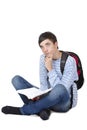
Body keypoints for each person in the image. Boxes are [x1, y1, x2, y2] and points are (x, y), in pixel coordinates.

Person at [1, 31, 78, 120]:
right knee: (16, 80)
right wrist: (40, 94)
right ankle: (43, 110)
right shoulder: (43, 58)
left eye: (47, 44)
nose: (45, 49)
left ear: (56, 44)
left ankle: (25, 110)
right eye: (42, 47)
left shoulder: (69, 61)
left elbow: (62, 89)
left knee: (59, 88)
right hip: (48, 98)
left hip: (63, 102)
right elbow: (43, 83)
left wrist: (50, 69)